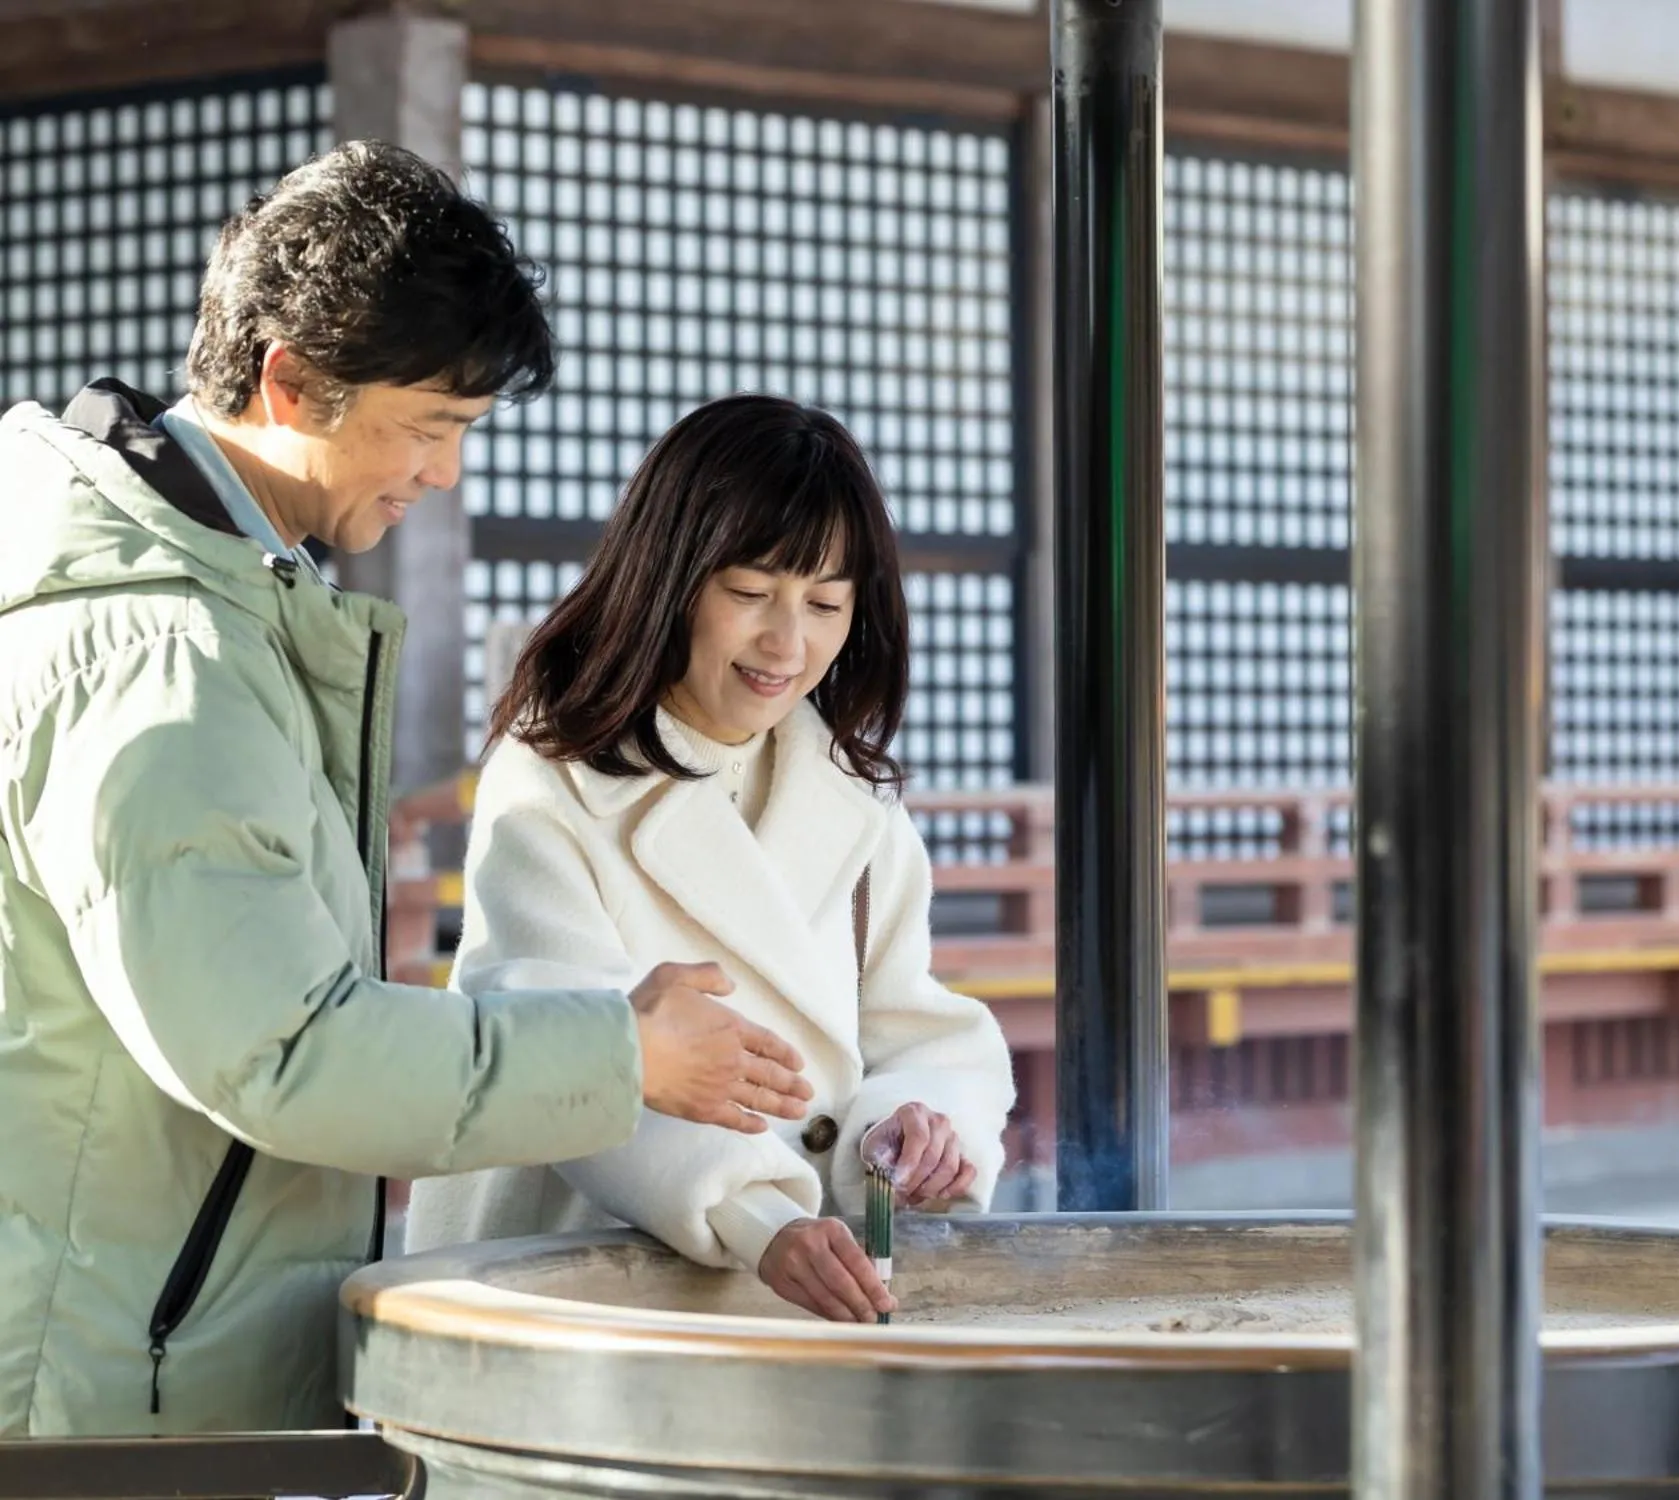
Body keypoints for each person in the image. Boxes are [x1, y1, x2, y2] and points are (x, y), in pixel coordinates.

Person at [0, 142, 814, 1437]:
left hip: (132, 1342)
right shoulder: (168, 655)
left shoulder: (218, 604)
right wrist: (629, 1054)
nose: (444, 474)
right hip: (116, 1395)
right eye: (430, 427)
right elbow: (285, 1050)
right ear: (291, 382)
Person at [406, 395, 1016, 1322]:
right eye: (748, 593)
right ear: (668, 577)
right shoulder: (553, 781)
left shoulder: (855, 801)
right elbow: (557, 1051)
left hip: (800, 1290)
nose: (788, 642)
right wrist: (754, 1214)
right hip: (584, 1293)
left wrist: (915, 1124)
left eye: (824, 603)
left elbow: (909, 1033)